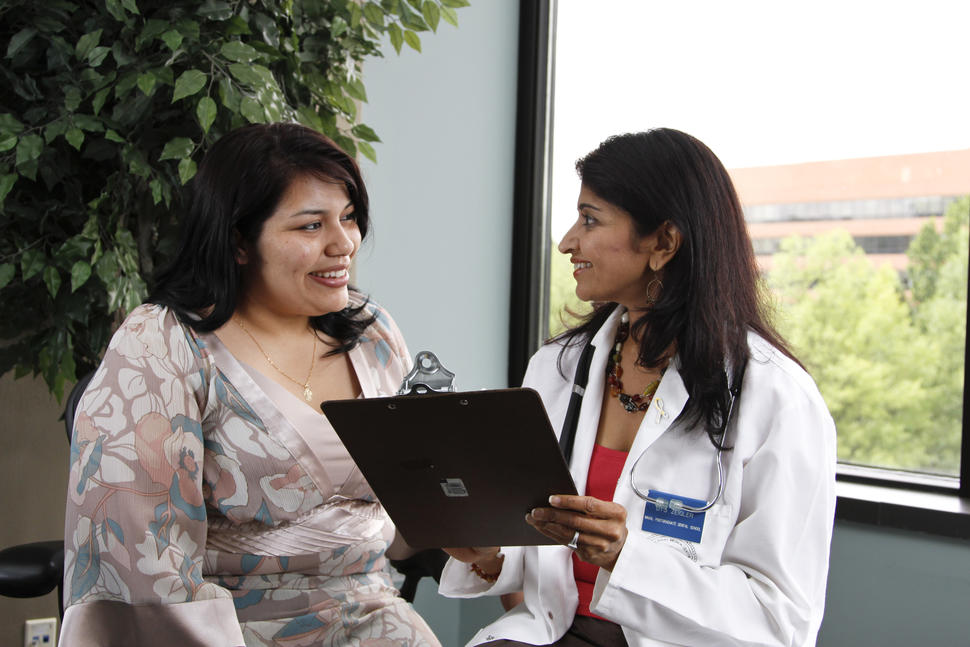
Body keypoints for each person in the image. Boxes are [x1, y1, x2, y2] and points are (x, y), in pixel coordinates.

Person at [439, 129, 836, 646]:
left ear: (664, 243)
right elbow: (538, 551)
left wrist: (627, 557)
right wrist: (490, 555)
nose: (566, 242)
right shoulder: (556, 369)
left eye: (590, 219)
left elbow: (782, 621)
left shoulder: (778, 400)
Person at [61, 123, 440, 647]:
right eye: (311, 227)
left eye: (349, 218)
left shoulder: (371, 331)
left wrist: (479, 534)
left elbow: (412, 502)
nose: (344, 243)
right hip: (225, 628)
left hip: (370, 615)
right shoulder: (163, 344)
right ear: (239, 240)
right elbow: (143, 557)